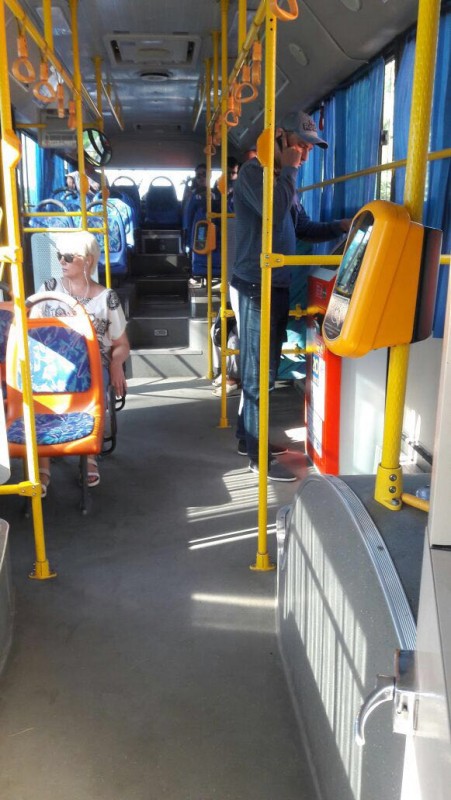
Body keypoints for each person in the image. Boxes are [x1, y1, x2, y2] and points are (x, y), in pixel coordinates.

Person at [231, 110, 351, 482]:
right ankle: (258, 460)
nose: (304, 154)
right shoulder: (253, 174)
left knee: (266, 370)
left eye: (309, 149)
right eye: (300, 145)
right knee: (258, 375)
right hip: (257, 286)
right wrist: (291, 169)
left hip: (277, 285)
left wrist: (341, 226)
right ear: (280, 139)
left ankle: (247, 439)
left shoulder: (285, 181)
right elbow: (274, 211)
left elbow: (302, 227)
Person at [34, 230, 130, 495]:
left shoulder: (106, 298)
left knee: (93, 386)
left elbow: (122, 344)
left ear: (87, 260)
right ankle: (43, 465)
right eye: (59, 256)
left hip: (92, 364)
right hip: (52, 362)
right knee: (38, 387)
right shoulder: (49, 290)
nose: (61, 261)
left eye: (68, 257)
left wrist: (116, 364)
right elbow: (33, 330)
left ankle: (88, 456)